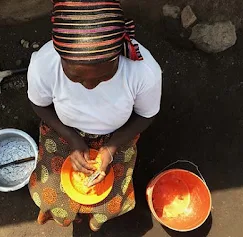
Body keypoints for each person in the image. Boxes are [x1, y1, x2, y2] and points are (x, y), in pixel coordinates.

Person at [27, 0, 162, 231]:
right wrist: (72, 138)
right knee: (49, 193)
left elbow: (146, 116)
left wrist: (111, 147)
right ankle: (57, 215)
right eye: (77, 78)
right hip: (63, 130)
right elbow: (39, 106)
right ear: (60, 57)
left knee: (111, 200)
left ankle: (95, 222)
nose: (89, 86)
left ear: (117, 56)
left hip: (119, 135)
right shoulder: (43, 65)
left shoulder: (144, 73)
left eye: (102, 77)